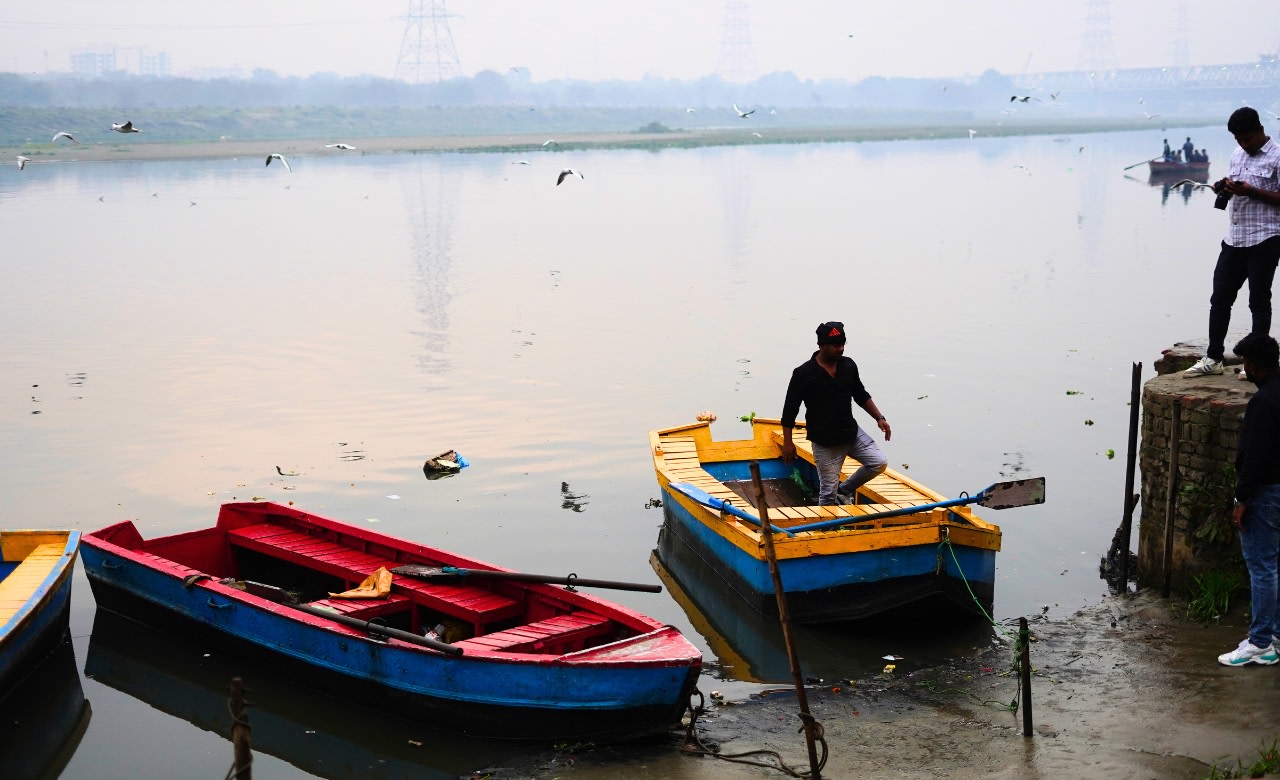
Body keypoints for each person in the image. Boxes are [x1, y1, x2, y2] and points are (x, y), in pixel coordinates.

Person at [1185, 107, 1280, 376]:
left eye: (1247, 138)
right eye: (1238, 139)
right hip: (1234, 238)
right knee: (1220, 299)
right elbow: (1236, 184)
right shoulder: (1237, 155)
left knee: (1258, 302)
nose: (1243, 144)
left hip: (1265, 237)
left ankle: (1256, 364)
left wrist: (1252, 191)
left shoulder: (1277, 157)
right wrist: (1224, 187)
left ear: (1260, 131)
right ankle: (1213, 358)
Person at [1218, 333, 1280, 666]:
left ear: (1253, 366)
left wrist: (1241, 499)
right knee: (1275, 564)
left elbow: (1255, 457)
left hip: (1266, 493)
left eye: (1245, 364)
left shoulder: (1262, 403)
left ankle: (1259, 643)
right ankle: (1276, 636)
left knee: (1262, 567)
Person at [780, 322, 891, 505]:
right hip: (825, 443)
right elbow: (789, 411)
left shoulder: (848, 365)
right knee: (827, 495)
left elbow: (860, 394)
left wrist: (879, 418)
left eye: (843, 344)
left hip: (851, 433)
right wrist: (788, 442)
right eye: (836, 345)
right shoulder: (803, 374)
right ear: (822, 345)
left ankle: (844, 490)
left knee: (878, 462)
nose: (841, 349)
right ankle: (827, 530)